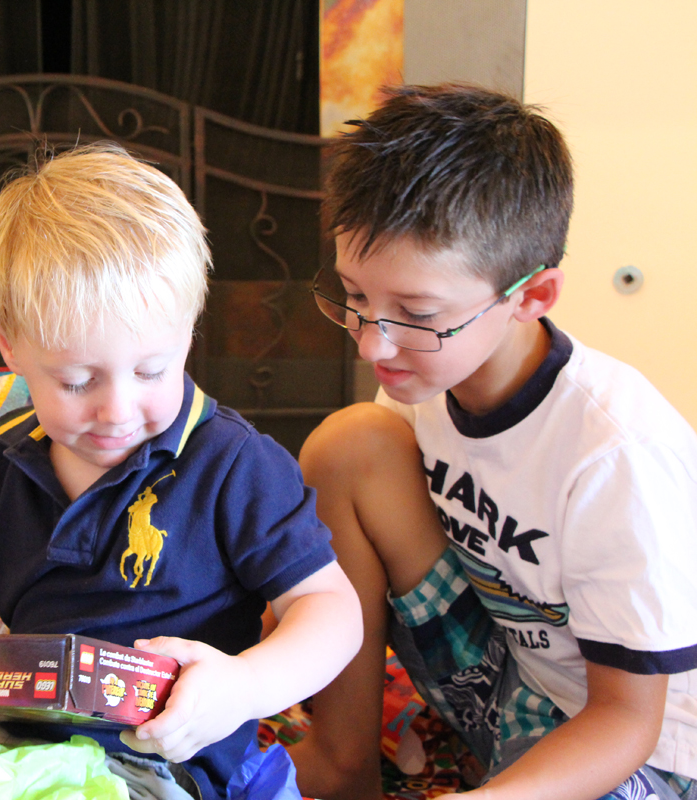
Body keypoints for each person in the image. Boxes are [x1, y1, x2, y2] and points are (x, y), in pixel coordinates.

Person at [0, 142, 363, 800]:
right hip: (20, 752)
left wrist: (246, 687)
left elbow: (330, 610)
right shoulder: (2, 461)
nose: (118, 411)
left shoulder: (234, 464)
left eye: (152, 371)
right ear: (8, 340)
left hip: (164, 764)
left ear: (189, 331)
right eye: (78, 381)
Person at [284, 83, 697, 800]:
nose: (373, 343)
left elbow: (628, 721)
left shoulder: (616, 455)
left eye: (417, 313)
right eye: (356, 296)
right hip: (510, 676)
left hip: (639, 746)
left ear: (531, 298)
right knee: (348, 445)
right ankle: (342, 762)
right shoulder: (424, 375)